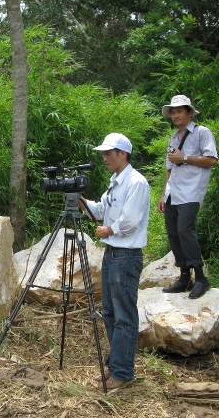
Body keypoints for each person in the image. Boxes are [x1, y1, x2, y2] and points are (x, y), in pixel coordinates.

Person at [78, 133, 150, 390]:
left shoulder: (136, 183)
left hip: (126, 256)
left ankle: (122, 372)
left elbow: (130, 220)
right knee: (109, 313)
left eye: (109, 153)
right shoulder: (116, 182)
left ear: (123, 154)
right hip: (112, 254)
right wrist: (80, 200)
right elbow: (100, 211)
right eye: (104, 153)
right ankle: (115, 365)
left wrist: (109, 230)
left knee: (124, 316)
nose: (105, 157)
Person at [158, 95, 217, 299]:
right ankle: (184, 278)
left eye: (179, 111)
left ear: (190, 113)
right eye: (173, 112)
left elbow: (211, 159)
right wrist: (162, 195)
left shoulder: (202, 133)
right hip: (173, 192)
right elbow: (169, 169)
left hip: (191, 191)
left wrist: (185, 158)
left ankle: (201, 278)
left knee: (185, 229)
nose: (175, 115)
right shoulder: (173, 138)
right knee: (173, 232)